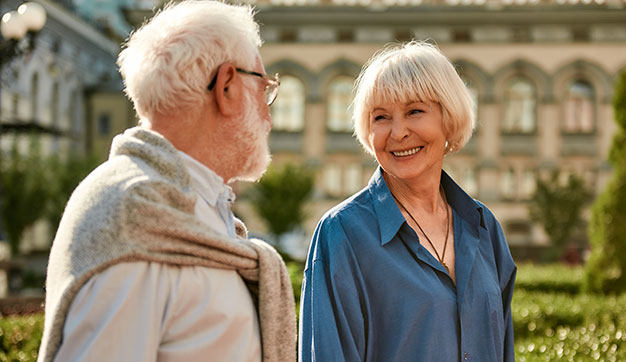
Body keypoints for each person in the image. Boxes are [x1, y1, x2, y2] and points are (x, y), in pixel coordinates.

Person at [38, 1, 296, 361]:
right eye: (263, 87)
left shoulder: (186, 206)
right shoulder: (135, 210)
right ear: (227, 87)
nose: (268, 112)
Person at [299, 41, 516, 362]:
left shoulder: (484, 228)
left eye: (415, 111)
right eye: (381, 117)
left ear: (448, 117)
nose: (398, 132)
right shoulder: (342, 234)